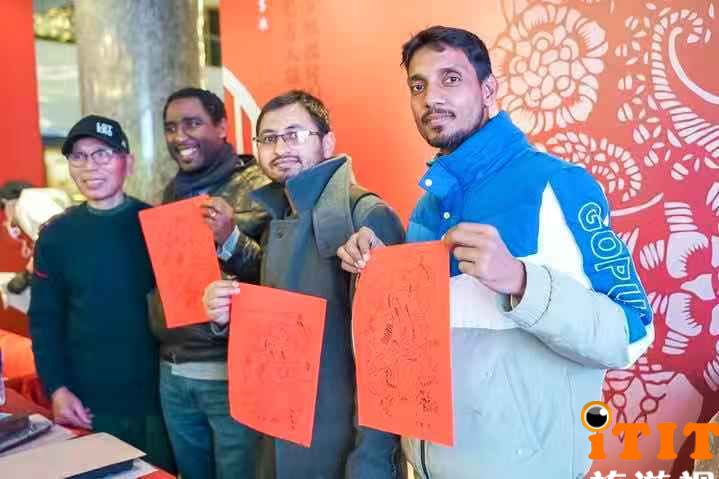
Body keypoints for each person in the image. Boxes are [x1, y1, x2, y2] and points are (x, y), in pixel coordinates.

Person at [338, 26, 654, 478]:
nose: (430, 98)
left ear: (488, 89)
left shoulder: (556, 184)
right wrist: (378, 272)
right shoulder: (428, 207)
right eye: (418, 86)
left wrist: (523, 282)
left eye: (450, 79)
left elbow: (633, 333)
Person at [203, 90, 405, 478]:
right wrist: (227, 313)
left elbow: (390, 365)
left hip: (335, 443)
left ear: (327, 143)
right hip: (278, 429)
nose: (281, 148)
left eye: (294, 135)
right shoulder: (279, 216)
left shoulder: (366, 215)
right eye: (269, 138)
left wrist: (372, 463)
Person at [28, 115, 174, 470]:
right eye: (79, 156)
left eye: (102, 154)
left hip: (156, 399)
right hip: (88, 401)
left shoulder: (158, 225)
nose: (90, 166)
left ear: (128, 162)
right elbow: (45, 320)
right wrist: (57, 388)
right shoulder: (56, 235)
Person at [149, 87, 270, 479]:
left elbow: (276, 276)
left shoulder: (260, 186)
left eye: (192, 123)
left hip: (228, 372)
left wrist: (230, 237)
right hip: (174, 370)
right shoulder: (172, 191)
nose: (179, 136)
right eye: (171, 127)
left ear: (221, 126)